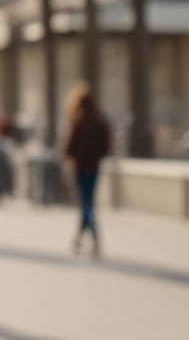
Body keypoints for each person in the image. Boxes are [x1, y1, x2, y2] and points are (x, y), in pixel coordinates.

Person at [59, 83, 111, 258]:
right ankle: (80, 239)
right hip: (94, 165)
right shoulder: (99, 120)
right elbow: (106, 145)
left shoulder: (77, 121)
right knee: (88, 201)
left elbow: (68, 146)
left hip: (80, 166)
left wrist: (68, 159)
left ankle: (92, 237)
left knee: (86, 202)